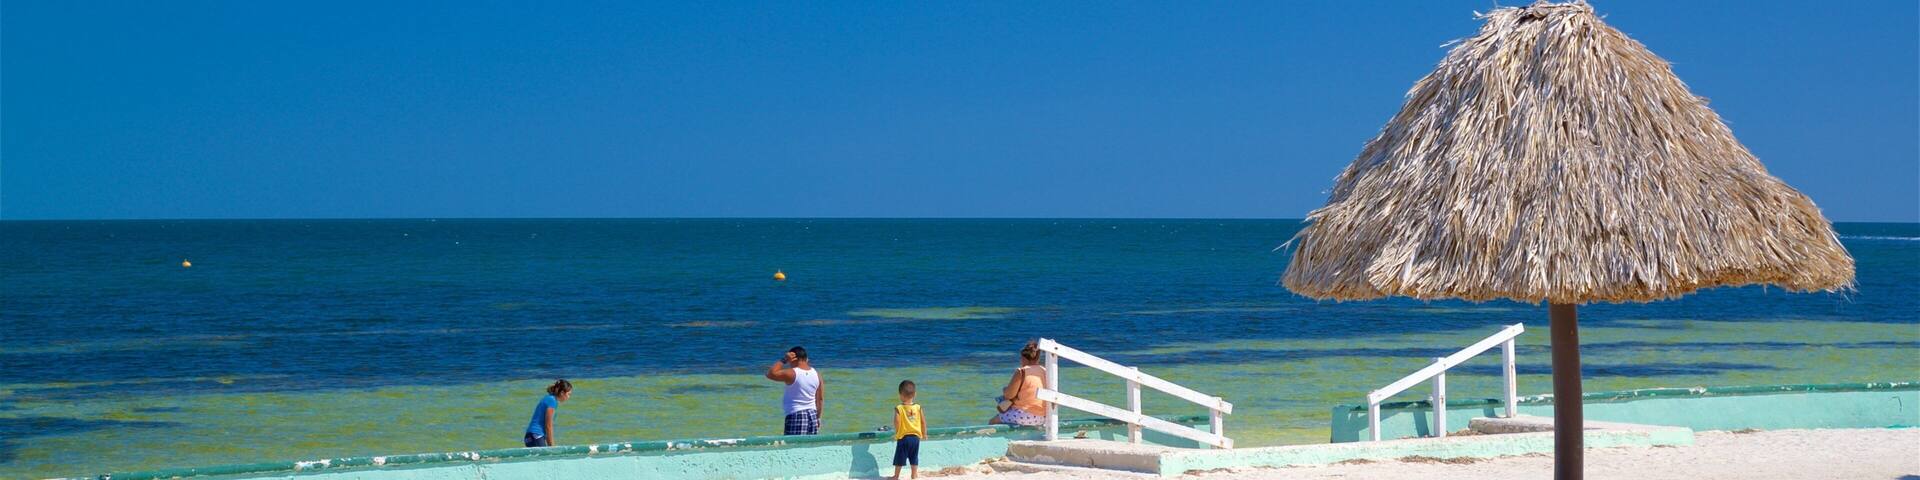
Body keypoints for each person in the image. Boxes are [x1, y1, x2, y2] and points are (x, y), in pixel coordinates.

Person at [765, 346, 824, 435]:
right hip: (812, 415)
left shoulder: (792, 373)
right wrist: (818, 418)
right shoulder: (817, 374)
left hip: (796, 414)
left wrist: (783, 360)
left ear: (792, 359)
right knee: (808, 443)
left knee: (793, 443)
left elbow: (770, 374)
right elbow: (820, 400)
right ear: (806, 359)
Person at [988, 341, 1048, 426]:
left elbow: (1009, 396)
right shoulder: (1044, 370)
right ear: (1037, 358)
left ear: (1023, 358)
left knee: (992, 421)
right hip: (1043, 417)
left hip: (1025, 416)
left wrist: (1005, 390)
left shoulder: (1021, 371)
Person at [891, 380, 926, 480]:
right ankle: (914, 475)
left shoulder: (899, 408)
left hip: (904, 438)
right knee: (914, 457)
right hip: (916, 438)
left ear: (900, 395)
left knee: (899, 457)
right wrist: (924, 433)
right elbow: (923, 422)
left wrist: (897, 432)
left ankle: (896, 476)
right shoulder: (918, 407)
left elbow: (896, 422)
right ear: (915, 394)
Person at [524, 379, 572, 447]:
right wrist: (551, 446)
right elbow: (548, 426)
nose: (569, 397)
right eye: (568, 394)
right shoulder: (552, 401)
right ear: (562, 393)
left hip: (530, 437)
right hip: (536, 436)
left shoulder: (549, 398)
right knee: (548, 453)